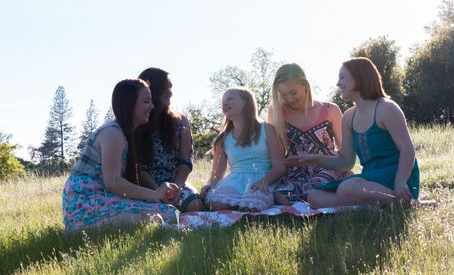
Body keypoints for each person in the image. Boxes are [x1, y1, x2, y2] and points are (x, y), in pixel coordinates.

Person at [288, 57, 420, 208]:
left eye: (342, 77)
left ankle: (404, 203)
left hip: (398, 176)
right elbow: (346, 161)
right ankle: (369, 207)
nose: (338, 84)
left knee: (347, 188)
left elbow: (407, 149)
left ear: (360, 77)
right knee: (313, 195)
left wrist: (400, 182)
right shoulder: (349, 116)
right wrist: (316, 159)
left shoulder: (386, 108)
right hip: (369, 178)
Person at [62, 79, 180, 231]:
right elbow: (113, 182)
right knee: (157, 218)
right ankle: (80, 230)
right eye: (146, 101)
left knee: (170, 213)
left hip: (101, 199)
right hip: (85, 204)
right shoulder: (112, 133)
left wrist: (156, 195)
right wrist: (156, 194)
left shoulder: (123, 133)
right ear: (129, 104)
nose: (151, 106)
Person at [268, 63, 348, 204]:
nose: (290, 99)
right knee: (279, 196)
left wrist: (345, 170)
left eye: (293, 93)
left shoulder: (330, 110)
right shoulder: (276, 113)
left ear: (305, 85)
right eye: (283, 95)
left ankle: (348, 202)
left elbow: (345, 151)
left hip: (327, 167)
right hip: (294, 172)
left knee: (314, 191)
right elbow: (276, 153)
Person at [200, 87, 287, 211]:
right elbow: (216, 174)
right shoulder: (223, 139)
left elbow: (280, 166)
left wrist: (265, 181)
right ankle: (237, 206)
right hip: (235, 180)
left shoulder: (267, 129)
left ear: (247, 102)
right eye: (223, 101)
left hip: (264, 179)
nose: (225, 103)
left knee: (252, 205)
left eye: (230, 99)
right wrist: (209, 184)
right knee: (217, 204)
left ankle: (250, 204)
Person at [135, 67, 203, 212]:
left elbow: (185, 162)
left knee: (194, 204)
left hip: (174, 184)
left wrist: (176, 187)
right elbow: (137, 168)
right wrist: (158, 192)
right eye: (166, 88)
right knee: (155, 212)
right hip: (145, 186)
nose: (170, 92)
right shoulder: (137, 122)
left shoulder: (180, 121)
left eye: (171, 87)